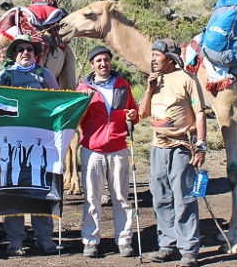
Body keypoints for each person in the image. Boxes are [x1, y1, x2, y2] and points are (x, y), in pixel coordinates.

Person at [138, 39, 207, 267]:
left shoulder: (187, 79)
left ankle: (188, 250)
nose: (153, 59)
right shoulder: (154, 81)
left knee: (184, 199)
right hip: (158, 147)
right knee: (161, 198)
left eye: (157, 55)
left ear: (170, 58)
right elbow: (143, 113)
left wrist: (201, 145)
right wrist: (149, 90)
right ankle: (167, 245)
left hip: (181, 147)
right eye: (153, 55)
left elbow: (200, 113)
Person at [0, 34, 59, 256]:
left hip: (41, 143)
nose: (25, 53)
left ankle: (45, 239)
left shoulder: (45, 75)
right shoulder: (5, 76)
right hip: (12, 144)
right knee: (14, 192)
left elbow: (59, 102)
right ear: (14, 54)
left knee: (42, 191)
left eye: (29, 49)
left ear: (35, 53)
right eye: (20, 50)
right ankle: (15, 241)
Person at [76, 45, 139, 258]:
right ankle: (90, 241)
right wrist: (82, 102)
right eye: (98, 61)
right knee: (92, 197)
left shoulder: (122, 85)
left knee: (121, 197)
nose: (103, 64)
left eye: (106, 60)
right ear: (92, 65)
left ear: (110, 62)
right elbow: (76, 120)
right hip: (92, 149)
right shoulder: (83, 88)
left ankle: (124, 240)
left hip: (118, 147)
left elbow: (133, 113)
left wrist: (132, 115)